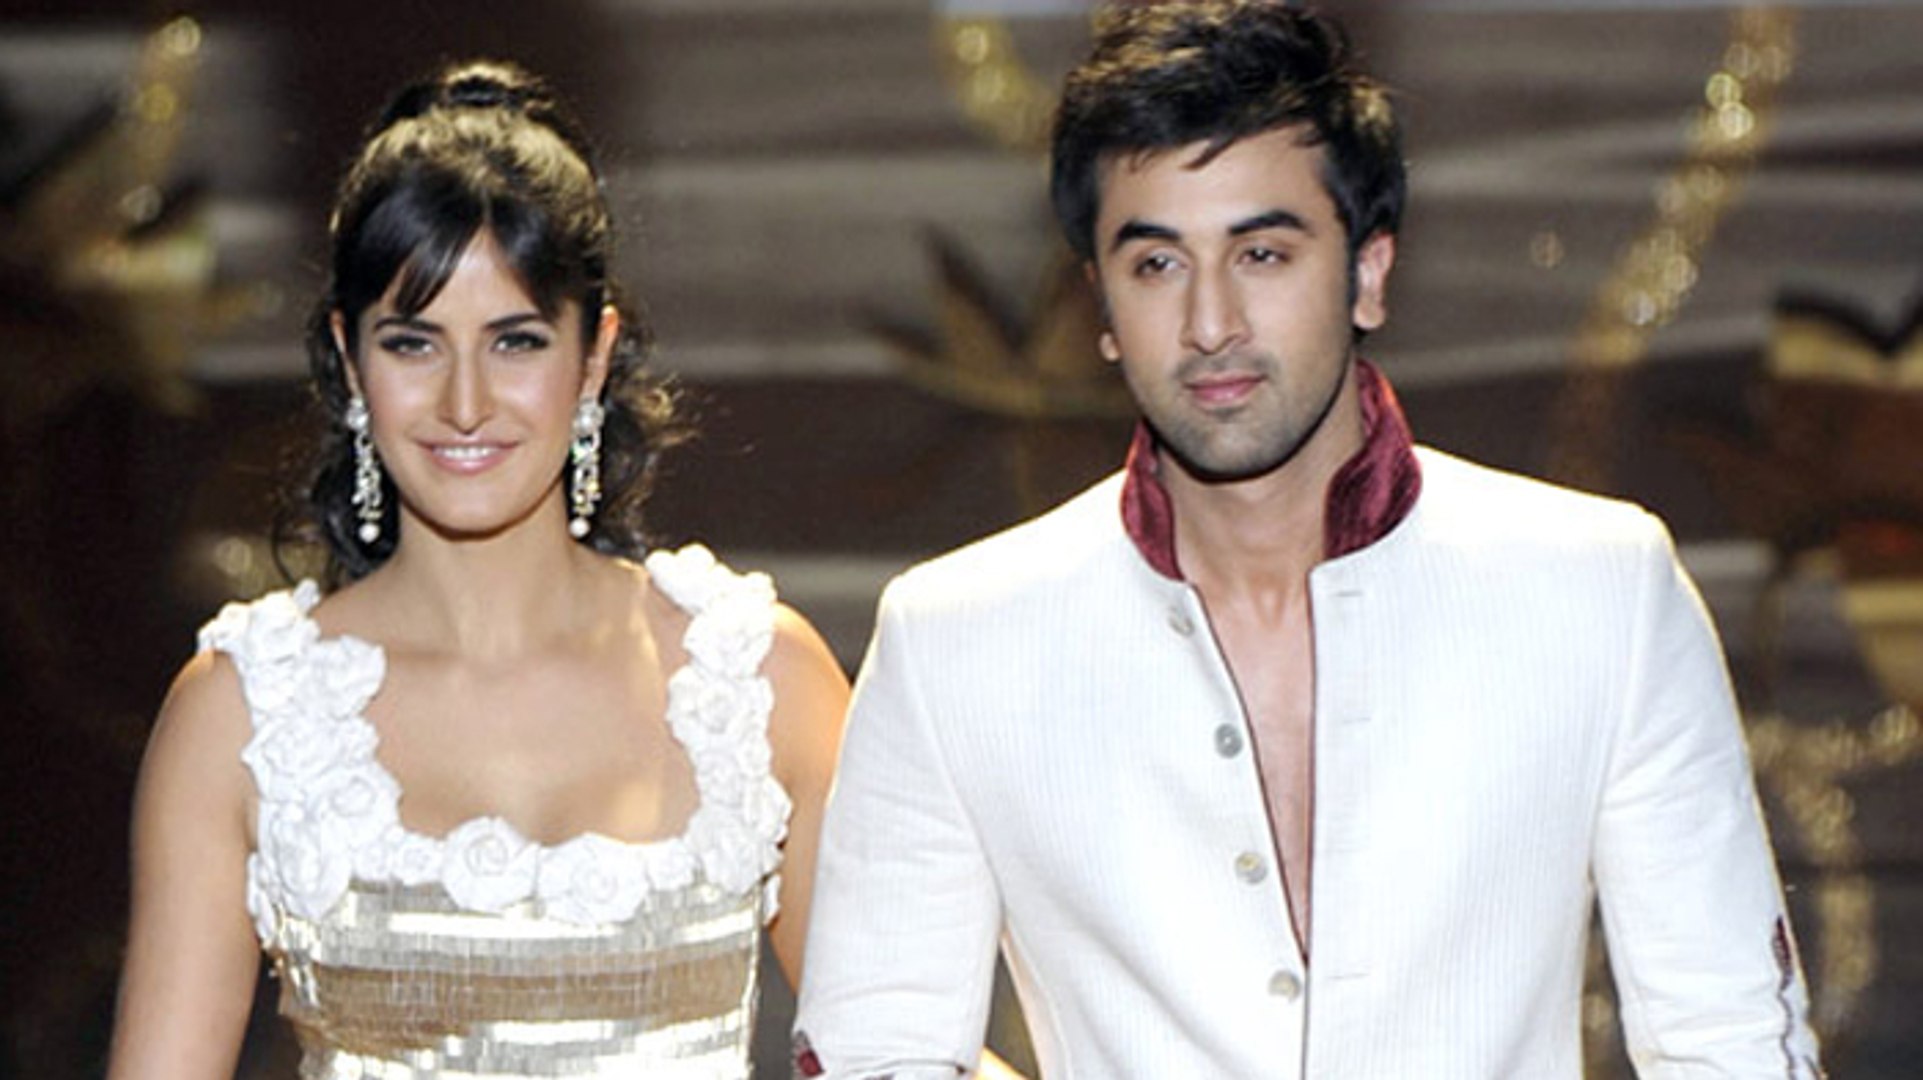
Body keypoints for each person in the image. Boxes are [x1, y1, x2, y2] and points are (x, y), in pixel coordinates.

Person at [794, 3, 1823, 1077]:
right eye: (1156, 265)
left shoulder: (1601, 591)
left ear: (1367, 272)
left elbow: (1730, 1046)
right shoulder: (954, 640)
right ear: (1097, 303)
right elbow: (878, 1055)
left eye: (1263, 253)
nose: (1211, 324)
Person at [106, 60, 847, 1078]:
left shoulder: (758, 680)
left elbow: (897, 1046)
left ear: (593, 355)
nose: (465, 404)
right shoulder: (241, 712)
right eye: (414, 344)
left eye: (516, 342)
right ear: (350, 358)